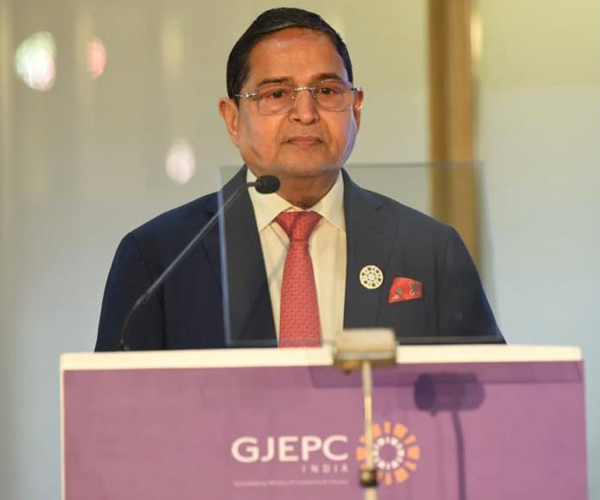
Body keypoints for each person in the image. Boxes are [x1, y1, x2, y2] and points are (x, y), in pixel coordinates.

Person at [95, 7, 502, 351]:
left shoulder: (430, 250)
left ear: (355, 109)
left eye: (326, 91)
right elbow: (115, 410)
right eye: (277, 94)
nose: (305, 114)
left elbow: (495, 397)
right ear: (232, 119)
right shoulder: (160, 258)